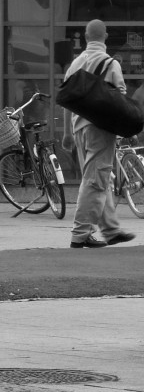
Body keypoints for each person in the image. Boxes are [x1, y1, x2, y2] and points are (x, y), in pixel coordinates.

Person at [65, 19, 136, 249]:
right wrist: (127, 130)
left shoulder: (75, 64)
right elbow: (121, 98)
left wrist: (67, 133)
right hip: (101, 129)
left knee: (99, 178)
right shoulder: (110, 63)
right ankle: (80, 233)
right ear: (105, 36)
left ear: (86, 37)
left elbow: (67, 100)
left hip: (78, 128)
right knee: (95, 180)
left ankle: (111, 230)